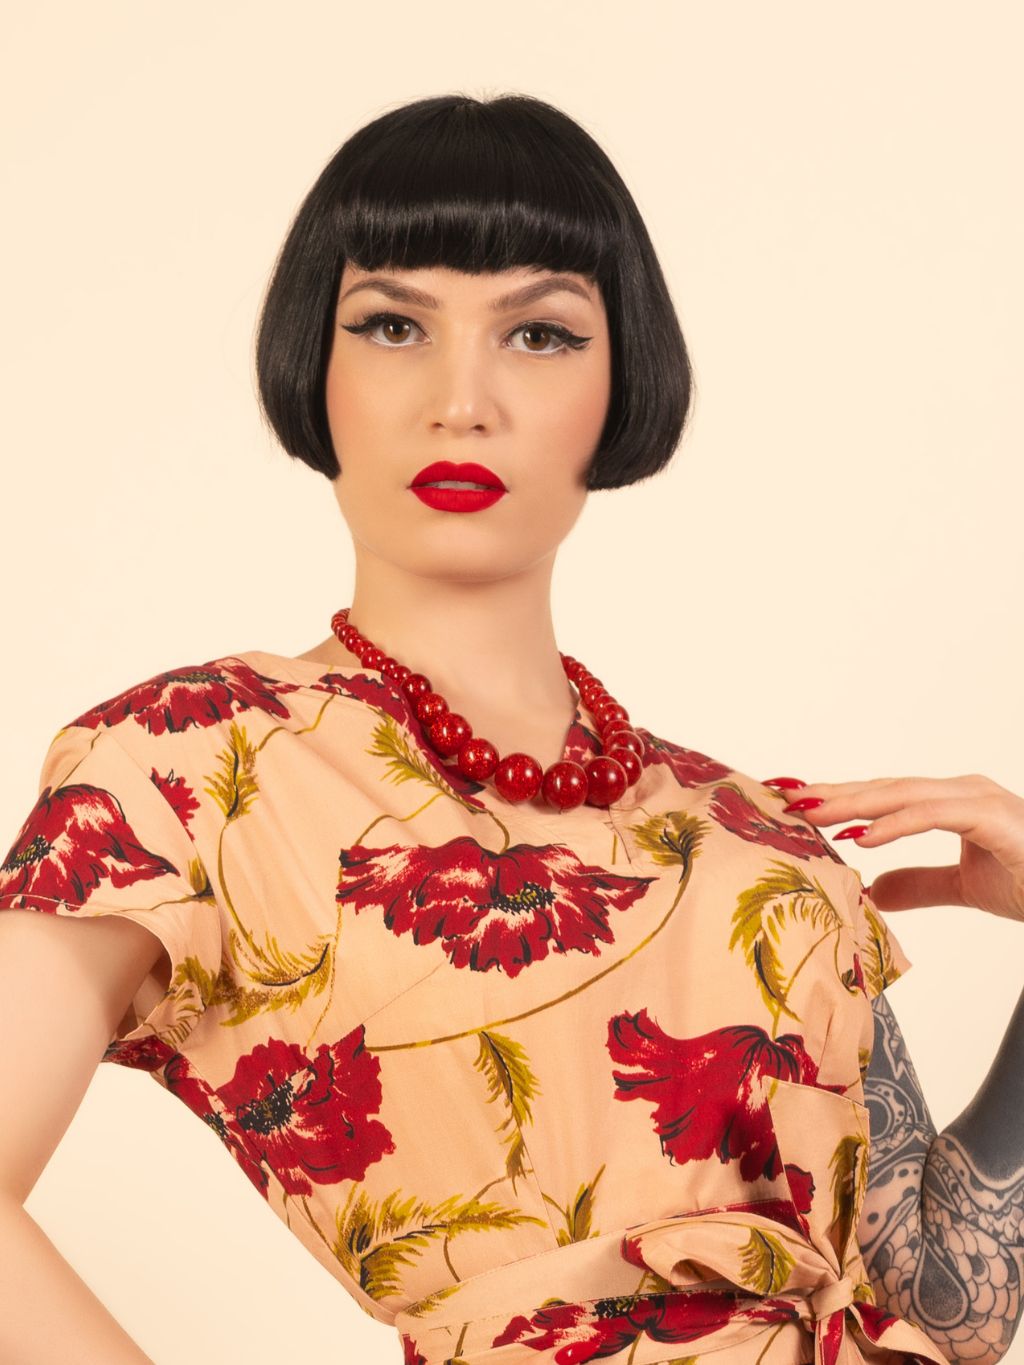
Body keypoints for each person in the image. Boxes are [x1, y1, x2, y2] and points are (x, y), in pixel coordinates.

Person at [1, 91, 1022, 1365]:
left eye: (538, 334)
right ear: (314, 370)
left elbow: (947, 1305)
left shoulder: (756, 841)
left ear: (621, 383)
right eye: (390, 324)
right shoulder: (197, 762)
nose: (460, 398)